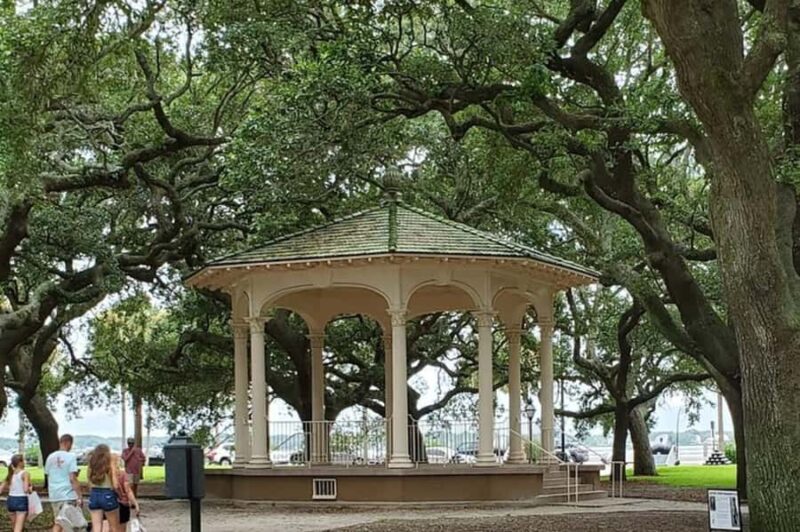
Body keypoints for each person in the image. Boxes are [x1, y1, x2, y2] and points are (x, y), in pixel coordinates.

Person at [45, 433, 82, 532]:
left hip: (54, 495)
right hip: (67, 495)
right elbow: (72, 478)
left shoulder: (50, 457)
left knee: (59, 522)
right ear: (68, 443)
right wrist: (79, 496)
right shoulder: (70, 456)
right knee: (68, 524)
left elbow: (50, 475)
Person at [88, 444, 121, 532]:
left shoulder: (92, 463)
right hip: (107, 494)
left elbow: (89, 482)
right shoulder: (109, 463)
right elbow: (115, 485)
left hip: (94, 494)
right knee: (114, 527)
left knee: (96, 527)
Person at [102, 455, 140, 532]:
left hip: (106, 504)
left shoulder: (103, 475)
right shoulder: (122, 474)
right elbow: (128, 491)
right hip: (122, 505)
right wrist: (135, 504)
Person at [0, 454, 33, 532]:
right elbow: (25, 489)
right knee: (18, 528)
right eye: (23, 460)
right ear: (20, 462)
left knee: (14, 525)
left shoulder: (10, 474)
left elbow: (0, 489)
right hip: (21, 500)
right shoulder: (25, 473)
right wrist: (30, 489)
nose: (24, 462)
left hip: (10, 500)